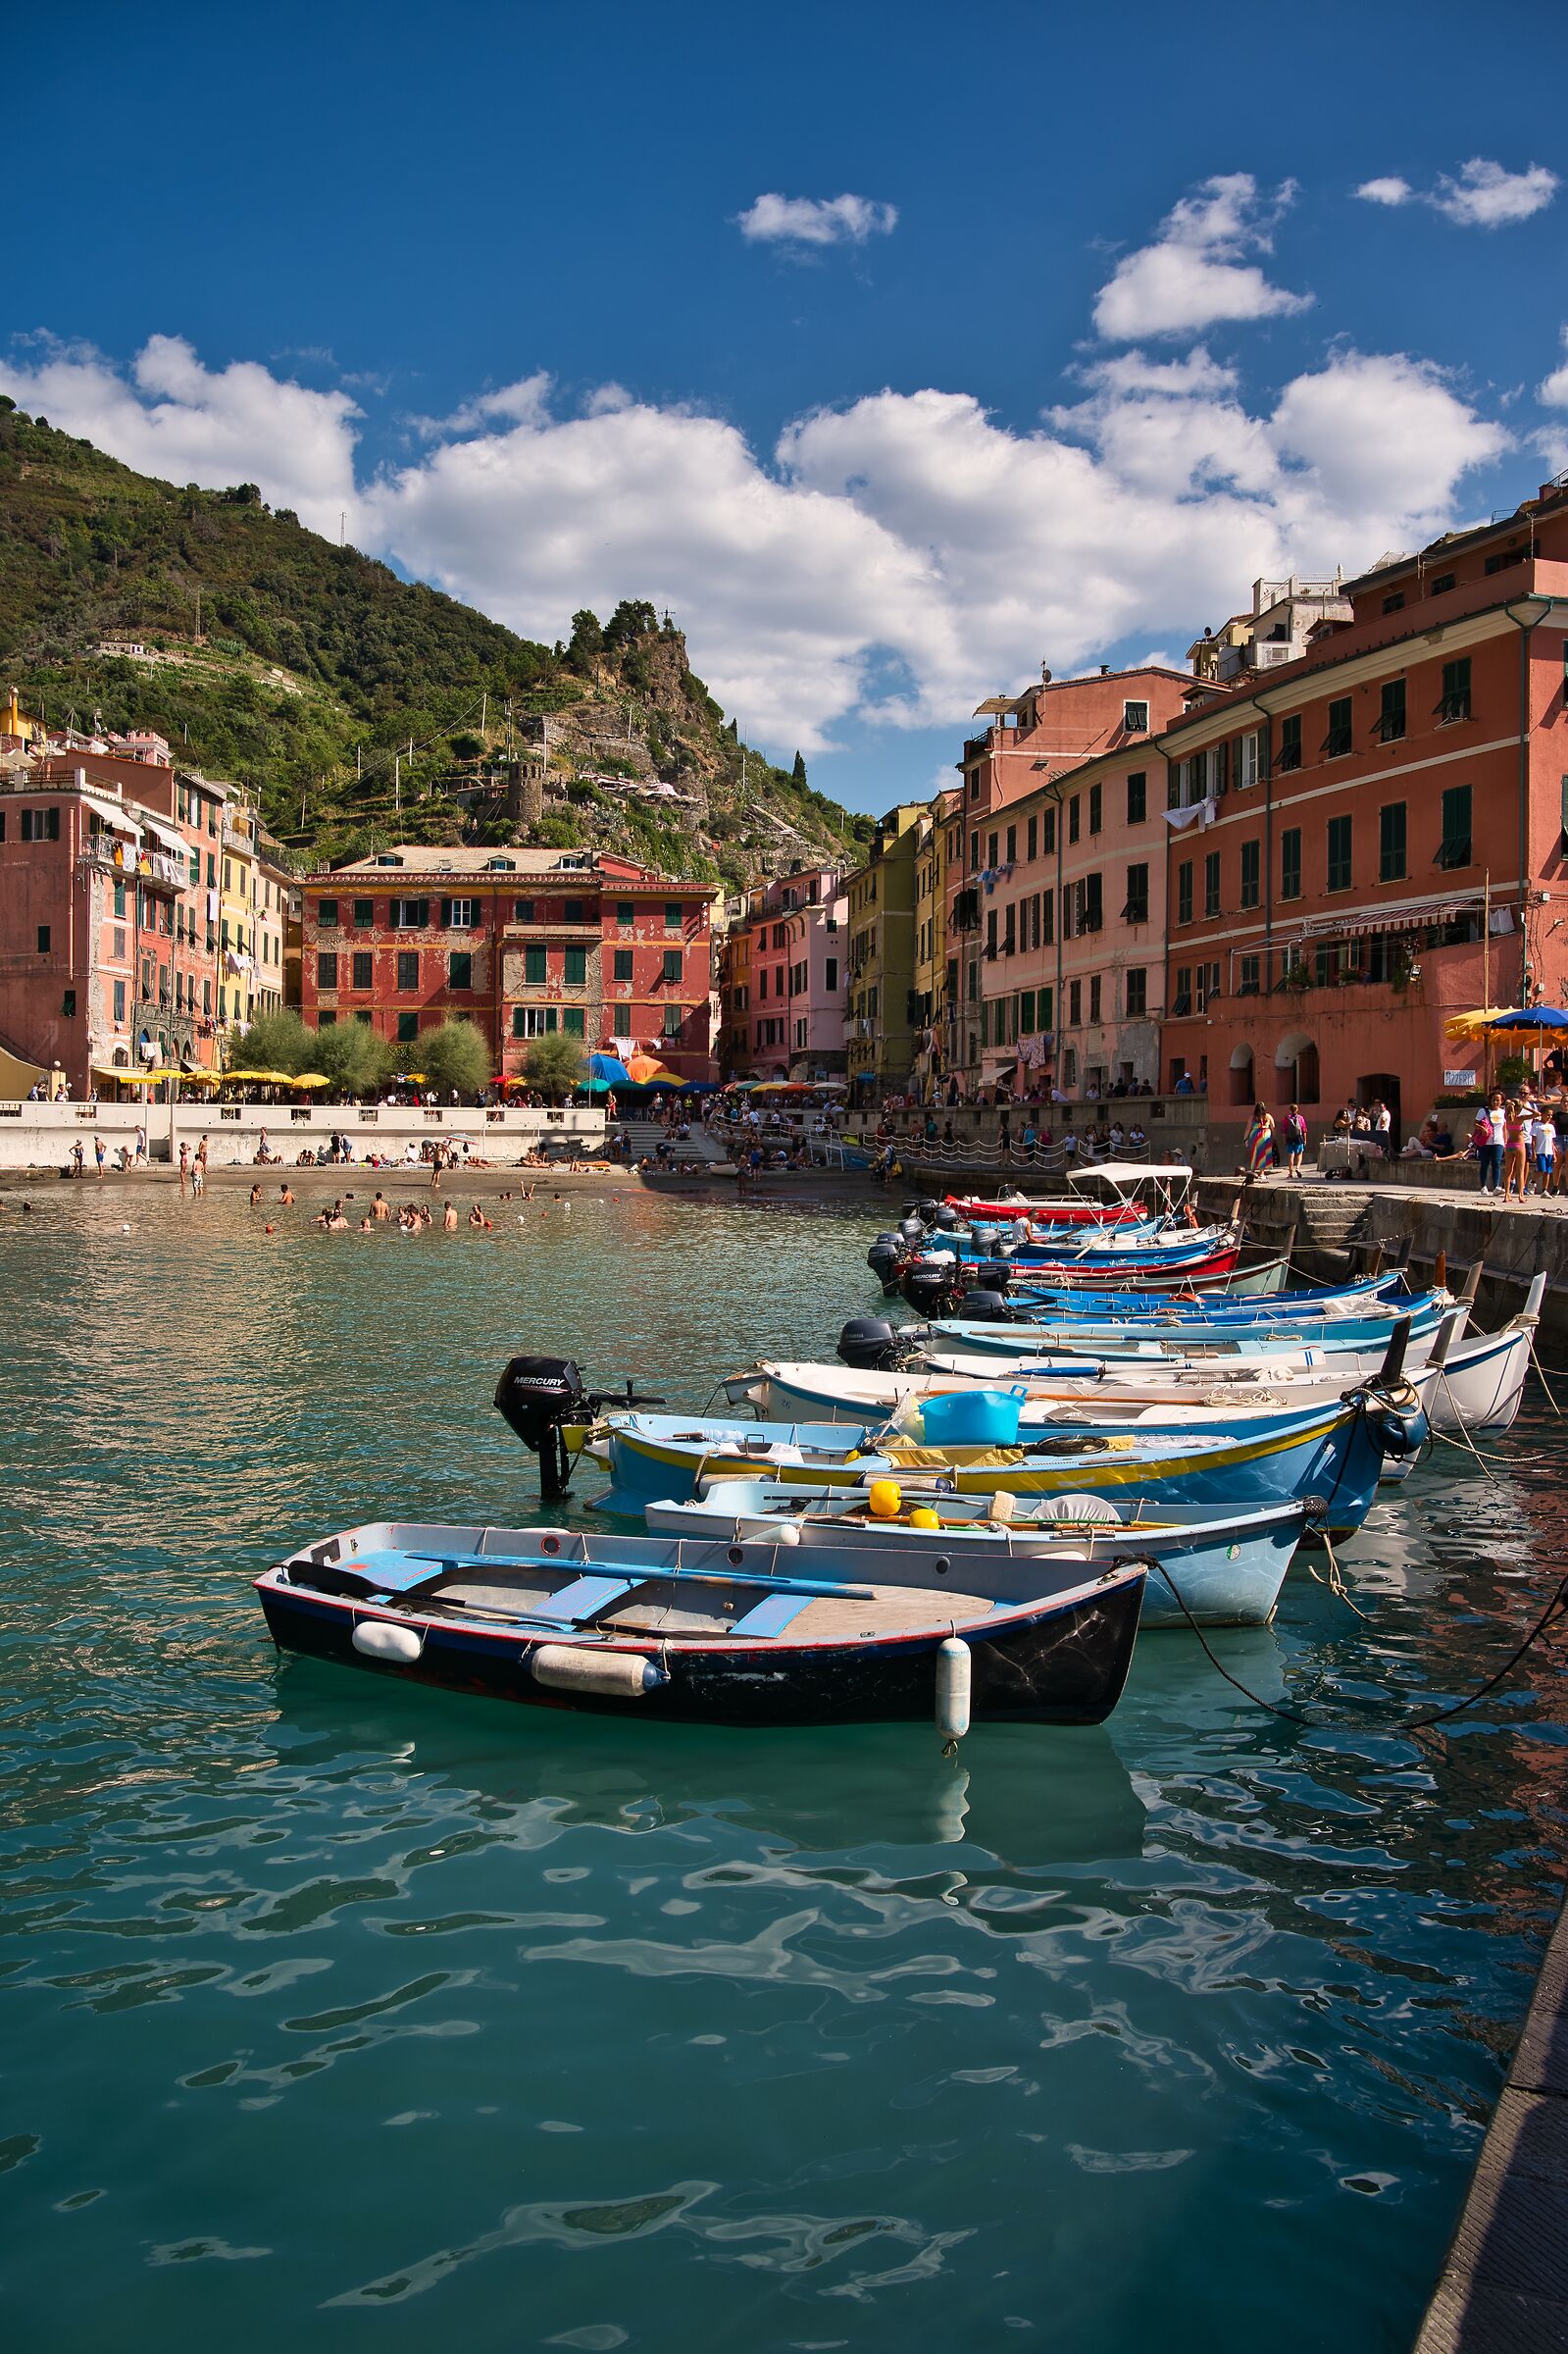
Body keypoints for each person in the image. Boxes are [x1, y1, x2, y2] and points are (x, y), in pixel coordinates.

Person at [1478, 1093, 1506, 1195]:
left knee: (1496, 1163)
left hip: (1498, 1141)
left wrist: (1505, 1142)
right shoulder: (1483, 1111)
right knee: (1484, 1163)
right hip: (1485, 1141)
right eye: (1494, 1100)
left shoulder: (1503, 1112)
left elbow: (1504, 1128)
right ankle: (1483, 1186)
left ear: (1501, 1101)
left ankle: (1496, 1186)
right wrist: (1482, 1128)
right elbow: (1475, 1123)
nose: (1495, 1102)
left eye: (1498, 1100)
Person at [1502, 1098, 1530, 1202]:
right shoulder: (1520, 1118)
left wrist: (1511, 1105)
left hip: (1509, 1145)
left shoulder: (1507, 1117)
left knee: (1508, 1171)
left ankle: (1507, 1194)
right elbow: (1537, 1114)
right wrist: (1527, 1107)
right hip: (1519, 1145)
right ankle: (1521, 1195)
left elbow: (1508, 1109)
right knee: (1520, 1171)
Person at [1241, 1101, 1275, 1184]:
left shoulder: (1252, 1117)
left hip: (1255, 1136)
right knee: (1264, 1154)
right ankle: (1261, 1173)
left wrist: (1245, 1138)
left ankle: (1253, 1171)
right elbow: (1273, 1127)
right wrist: (1273, 1137)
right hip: (1266, 1135)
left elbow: (1248, 1128)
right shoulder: (1268, 1116)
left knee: (1255, 1153)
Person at [1531, 1104, 1557, 1195]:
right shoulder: (1536, 1125)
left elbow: (1552, 1141)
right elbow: (1533, 1140)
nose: (1549, 1117)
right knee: (1542, 1170)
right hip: (1540, 1151)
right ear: (1542, 1114)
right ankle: (1533, 1181)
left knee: (1548, 1172)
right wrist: (1533, 1152)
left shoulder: (1551, 1127)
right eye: (1547, 1115)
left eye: (1551, 1115)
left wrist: (1554, 1153)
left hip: (1549, 1151)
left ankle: (1544, 1190)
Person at [1283, 1102, 1307, 1177]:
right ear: (1297, 1110)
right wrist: (1305, 1139)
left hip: (1290, 1138)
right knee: (1299, 1153)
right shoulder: (1300, 1118)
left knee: (1291, 1155)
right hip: (1299, 1138)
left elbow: (1284, 1131)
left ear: (1290, 1110)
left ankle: (1290, 1173)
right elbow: (1304, 1130)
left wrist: (1285, 1140)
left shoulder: (1286, 1119)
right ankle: (1298, 1168)